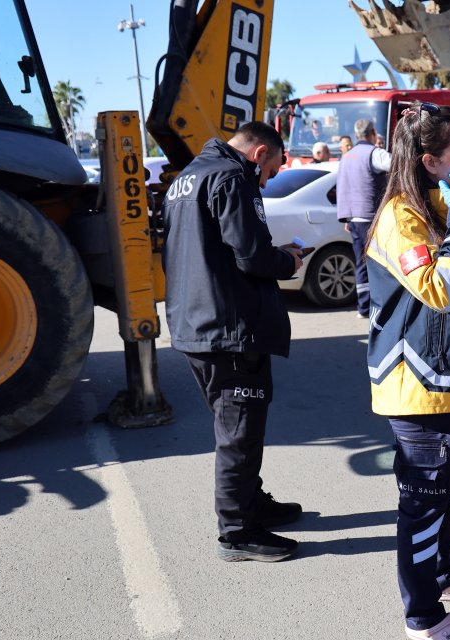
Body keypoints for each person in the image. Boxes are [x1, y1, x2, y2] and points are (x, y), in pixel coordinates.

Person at [365, 102, 450, 640]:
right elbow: (442, 290)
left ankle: (441, 576)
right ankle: (425, 619)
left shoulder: (431, 207)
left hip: (447, 384)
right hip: (419, 390)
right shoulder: (401, 217)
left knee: (439, 499)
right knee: (421, 508)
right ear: (430, 160)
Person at [161, 122, 306, 562]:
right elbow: (251, 255)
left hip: (199, 322)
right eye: (273, 170)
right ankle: (238, 532)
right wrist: (289, 260)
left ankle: (250, 503)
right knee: (239, 433)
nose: (270, 180)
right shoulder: (231, 177)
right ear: (260, 153)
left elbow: (212, 250)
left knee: (237, 426)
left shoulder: (186, 178)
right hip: (228, 329)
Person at [337, 118, 393, 318]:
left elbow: (343, 185)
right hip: (370, 216)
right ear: (373, 133)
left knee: (361, 262)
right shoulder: (374, 153)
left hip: (352, 218)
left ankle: (363, 307)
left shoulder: (347, 156)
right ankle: (377, 306)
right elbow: (396, 165)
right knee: (379, 263)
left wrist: (346, 218)